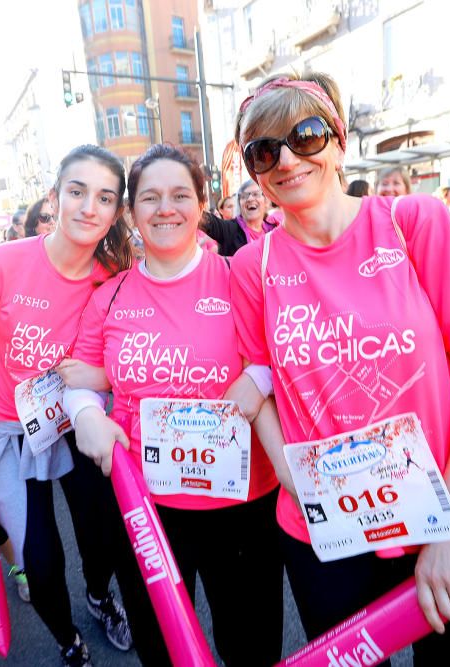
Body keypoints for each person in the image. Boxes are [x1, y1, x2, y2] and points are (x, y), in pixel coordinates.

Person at [230, 73, 450, 665]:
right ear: (255, 171)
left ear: (338, 142)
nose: (286, 159)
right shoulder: (250, 265)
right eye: (265, 150)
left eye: (305, 136)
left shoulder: (413, 223)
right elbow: (256, 386)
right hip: (328, 528)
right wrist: (290, 473)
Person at [65, 144, 284, 666]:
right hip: (147, 504)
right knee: (161, 645)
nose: (166, 208)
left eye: (180, 195)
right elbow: (78, 378)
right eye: (150, 197)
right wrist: (87, 415)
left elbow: (286, 353)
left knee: (250, 646)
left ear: (202, 203)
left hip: (243, 501)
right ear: (131, 212)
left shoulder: (239, 276)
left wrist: (258, 377)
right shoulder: (110, 295)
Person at [0, 145, 136, 666]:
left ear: (117, 211)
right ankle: (67, 641)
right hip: (7, 429)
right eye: (77, 192)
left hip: (77, 420)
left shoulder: (114, 275)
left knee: (102, 537)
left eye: (104, 198)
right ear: (55, 196)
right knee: (42, 560)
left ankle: (100, 598)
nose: (88, 208)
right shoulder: (1, 263)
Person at [202, 180, 278, 256]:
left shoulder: (274, 230)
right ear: (239, 204)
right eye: (244, 196)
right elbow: (202, 218)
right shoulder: (229, 229)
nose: (250, 199)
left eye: (256, 194)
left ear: (266, 201)